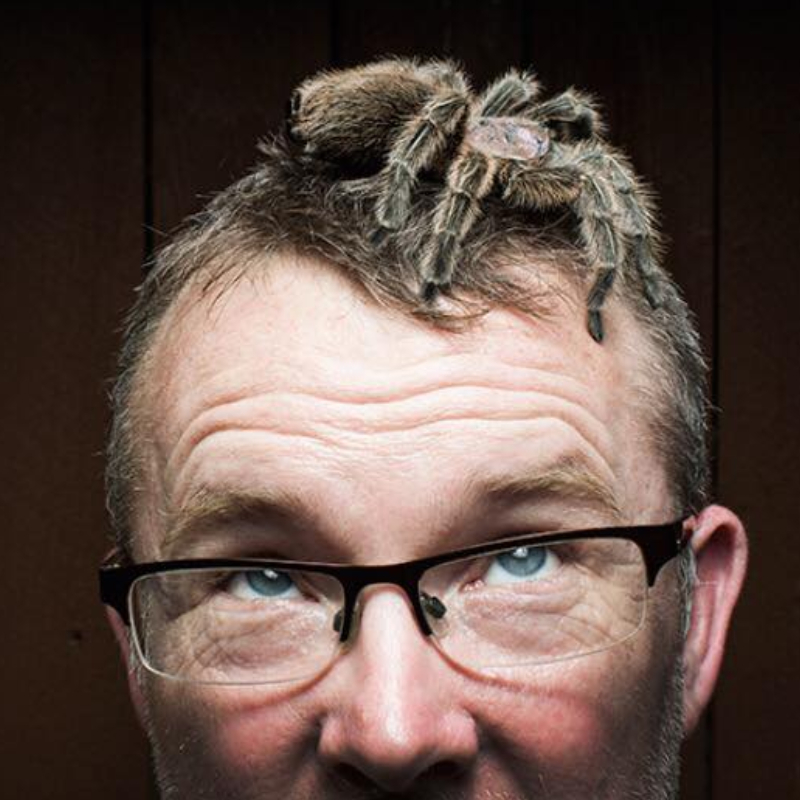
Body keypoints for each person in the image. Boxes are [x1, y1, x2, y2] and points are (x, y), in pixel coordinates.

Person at [99, 59, 748, 800]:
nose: (392, 734)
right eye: (263, 581)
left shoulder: (544, 156)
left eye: (524, 560)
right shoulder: (456, 133)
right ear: (137, 651)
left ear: (694, 623)